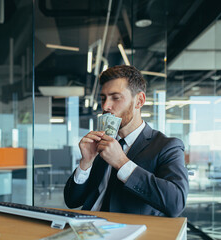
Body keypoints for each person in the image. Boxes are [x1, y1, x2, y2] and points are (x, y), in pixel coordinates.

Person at [64, 65, 189, 217]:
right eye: (103, 98)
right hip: (86, 226)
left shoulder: (167, 146)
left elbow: (175, 203)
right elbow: (72, 201)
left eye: (116, 98)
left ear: (139, 101)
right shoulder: (100, 145)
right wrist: (86, 163)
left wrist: (122, 162)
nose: (105, 106)